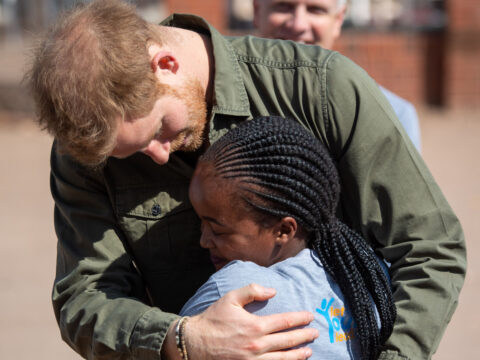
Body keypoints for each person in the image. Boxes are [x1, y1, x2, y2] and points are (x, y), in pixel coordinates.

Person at [26, 0, 466, 359]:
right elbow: (84, 299)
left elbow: (430, 247)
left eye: (157, 131)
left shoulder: (321, 90)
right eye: (134, 153)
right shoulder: (90, 145)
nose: (156, 157)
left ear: (165, 63)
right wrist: (183, 340)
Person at [180, 115, 397, 360]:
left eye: (218, 230)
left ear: (283, 230)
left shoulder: (235, 291)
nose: (203, 240)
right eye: (201, 222)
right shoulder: (369, 274)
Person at [252, 0, 422, 151]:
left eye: (315, 9)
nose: (298, 25)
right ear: (257, 11)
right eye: (283, 6)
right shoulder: (227, 101)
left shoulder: (390, 116)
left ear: (338, 20)